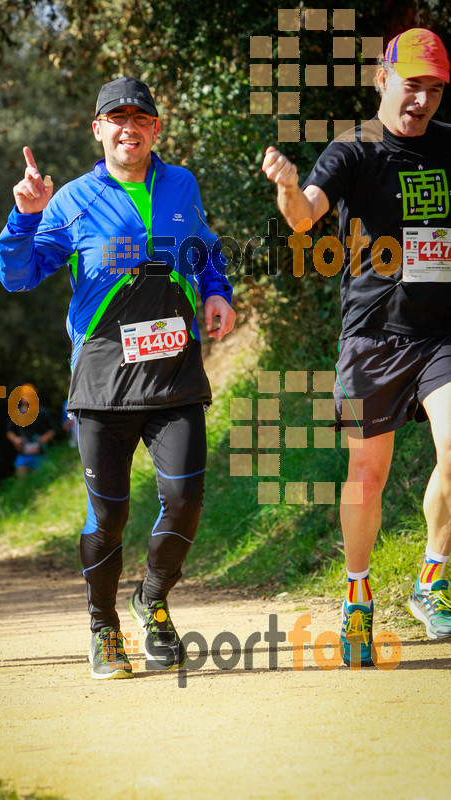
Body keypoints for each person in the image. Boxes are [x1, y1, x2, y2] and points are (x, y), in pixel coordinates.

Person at [0, 77, 235, 679]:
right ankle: (104, 628)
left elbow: (205, 250)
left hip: (175, 370)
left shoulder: (181, 183)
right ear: (98, 129)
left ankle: (151, 600)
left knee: (184, 502)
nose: (128, 127)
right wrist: (24, 217)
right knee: (110, 518)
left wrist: (216, 292)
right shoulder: (70, 200)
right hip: (103, 377)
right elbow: (19, 276)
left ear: (155, 128)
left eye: (140, 117)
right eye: (115, 118)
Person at [263, 28, 451, 666]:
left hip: (439, 334)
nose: (420, 100)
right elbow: (304, 216)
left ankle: (432, 577)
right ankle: (357, 591)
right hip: (368, 338)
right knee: (365, 479)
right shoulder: (355, 150)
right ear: (382, 79)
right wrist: (289, 188)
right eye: (410, 85)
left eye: (433, 89)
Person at [6, 385, 57, 476]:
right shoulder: (17, 414)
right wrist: (15, 440)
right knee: (22, 481)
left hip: (40, 453)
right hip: (23, 454)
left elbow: (53, 429)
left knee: (39, 480)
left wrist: (44, 439)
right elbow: (9, 431)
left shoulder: (42, 412)